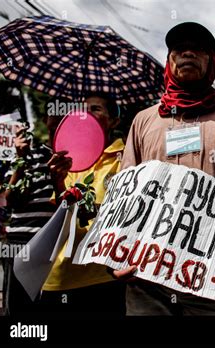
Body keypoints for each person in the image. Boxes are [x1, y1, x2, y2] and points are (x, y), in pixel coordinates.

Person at [113, 22, 215, 316]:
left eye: (197, 49)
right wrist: (117, 254)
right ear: (169, 60)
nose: (187, 53)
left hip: (213, 273)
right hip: (147, 272)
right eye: (178, 48)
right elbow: (125, 193)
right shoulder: (144, 120)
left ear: (211, 60)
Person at [40, 94, 126, 315]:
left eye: (96, 109)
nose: (87, 113)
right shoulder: (69, 158)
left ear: (114, 121)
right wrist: (58, 182)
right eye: (83, 109)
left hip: (105, 276)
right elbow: (61, 213)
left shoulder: (126, 156)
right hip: (61, 276)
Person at [1, 111, 62, 315]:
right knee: (18, 311)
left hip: (52, 246)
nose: (57, 123)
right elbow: (11, 199)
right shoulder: (29, 154)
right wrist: (21, 160)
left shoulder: (77, 159)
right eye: (52, 119)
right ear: (44, 121)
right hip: (20, 243)